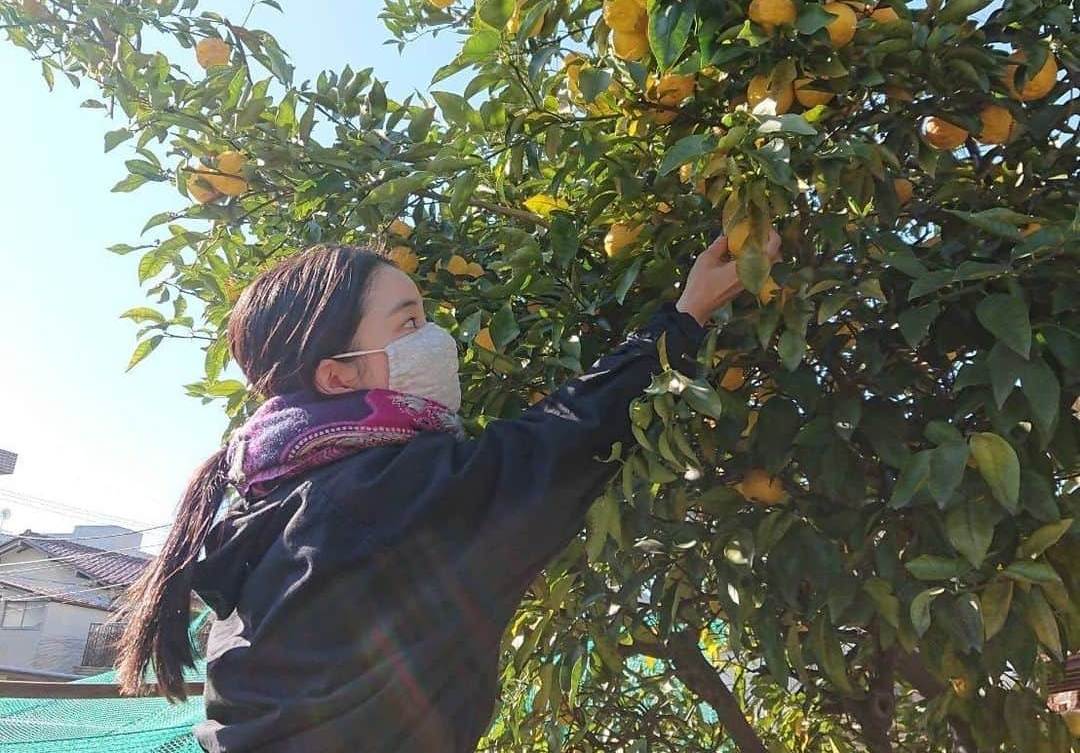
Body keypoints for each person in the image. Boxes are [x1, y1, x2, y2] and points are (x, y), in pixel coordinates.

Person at [113, 228, 781, 751]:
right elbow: (552, 449)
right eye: (408, 324)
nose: (437, 338)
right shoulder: (364, 502)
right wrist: (687, 315)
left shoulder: (282, 499)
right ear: (339, 377)